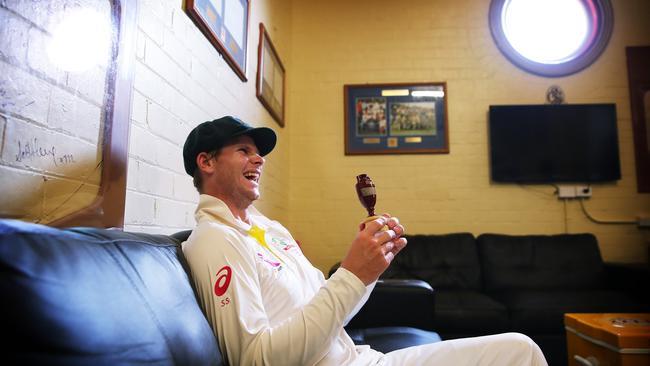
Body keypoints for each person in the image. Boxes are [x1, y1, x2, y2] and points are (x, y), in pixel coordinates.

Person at [181, 116, 548, 366]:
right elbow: (256, 359)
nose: (259, 159)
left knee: (520, 348)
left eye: (257, 152)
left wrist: (368, 271)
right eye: (243, 151)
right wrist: (352, 275)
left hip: (359, 357)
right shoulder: (215, 240)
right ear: (207, 163)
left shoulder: (269, 230)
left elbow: (328, 310)